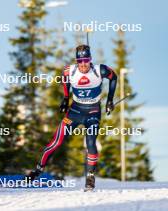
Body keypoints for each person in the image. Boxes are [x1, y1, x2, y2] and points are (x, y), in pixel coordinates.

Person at [25, 44, 118, 190]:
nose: (82, 65)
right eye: (79, 61)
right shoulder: (70, 71)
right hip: (75, 111)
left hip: (93, 112)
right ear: (76, 61)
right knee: (56, 141)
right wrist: (65, 99)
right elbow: (65, 81)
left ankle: (90, 178)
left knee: (91, 143)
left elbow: (114, 78)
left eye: (85, 61)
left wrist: (110, 100)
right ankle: (37, 170)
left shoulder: (100, 70)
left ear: (90, 59)